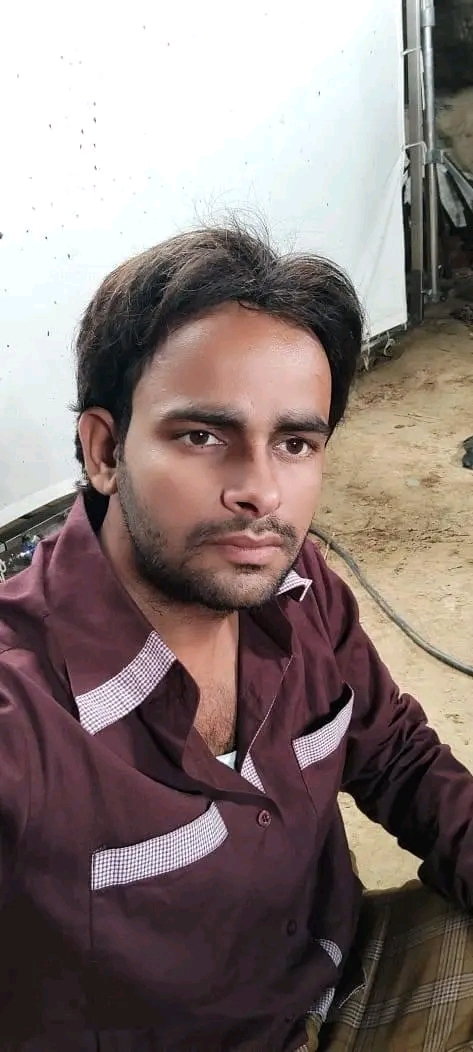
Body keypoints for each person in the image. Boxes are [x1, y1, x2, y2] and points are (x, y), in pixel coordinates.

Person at [0, 224, 473, 1052]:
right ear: (105, 451)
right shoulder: (23, 719)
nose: (261, 492)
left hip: (340, 979)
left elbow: (397, 758)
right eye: (202, 436)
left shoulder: (300, 589)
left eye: (294, 443)